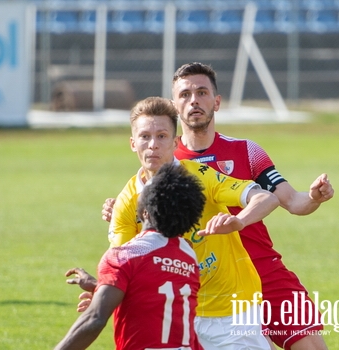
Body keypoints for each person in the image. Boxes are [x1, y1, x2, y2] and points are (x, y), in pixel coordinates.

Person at [102, 63, 334, 350]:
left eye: (202, 92)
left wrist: (313, 197)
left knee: (311, 346)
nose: (194, 101)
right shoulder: (163, 158)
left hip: (262, 267)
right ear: (175, 106)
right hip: (202, 281)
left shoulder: (246, 151)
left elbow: (290, 200)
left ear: (217, 101)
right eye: (185, 95)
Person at [72, 96, 278, 350]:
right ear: (132, 143)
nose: (153, 145)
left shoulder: (202, 176)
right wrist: (100, 293)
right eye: (145, 136)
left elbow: (266, 198)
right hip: (178, 317)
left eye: (161, 136)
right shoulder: (127, 201)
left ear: (175, 141)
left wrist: (238, 221)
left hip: (232, 311)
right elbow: (124, 268)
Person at [54, 162, 206, 350]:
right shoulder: (188, 257)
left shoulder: (124, 255)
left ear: (145, 211)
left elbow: (94, 319)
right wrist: (100, 286)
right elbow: (154, 296)